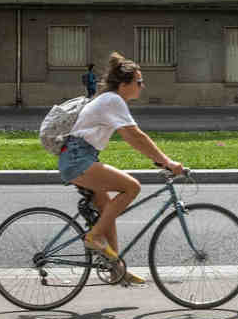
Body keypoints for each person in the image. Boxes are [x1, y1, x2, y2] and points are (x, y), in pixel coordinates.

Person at [58, 52, 185, 285]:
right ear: (124, 84)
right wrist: (168, 162)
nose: (142, 86)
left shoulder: (110, 100)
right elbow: (135, 136)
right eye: (139, 82)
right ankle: (94, 237)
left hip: (78, 156)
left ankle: (117, 268)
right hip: (78, 159)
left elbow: (133, 138)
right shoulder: (113, 100)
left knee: (108, 209)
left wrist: (157, 159)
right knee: (131, 187)